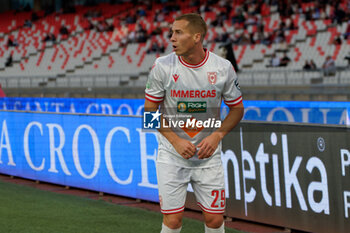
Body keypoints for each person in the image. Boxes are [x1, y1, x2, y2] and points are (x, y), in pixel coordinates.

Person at [144, 13, 244, 233]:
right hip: (171, 156)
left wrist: (217, 135)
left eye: (178, 32)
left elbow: (237, 109)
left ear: (197, 37)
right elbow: (149, 112)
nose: (172, 38)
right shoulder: (162, 66)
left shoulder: (222, 67)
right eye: (171, 32)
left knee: (215, 220)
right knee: (172, 221)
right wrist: (176, 141)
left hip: (208, 157)